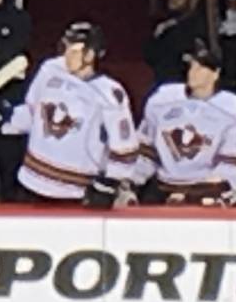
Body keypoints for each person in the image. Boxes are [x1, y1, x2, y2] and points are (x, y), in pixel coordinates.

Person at [12, 21, 144, 204]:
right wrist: (4, 114)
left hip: (74, 193)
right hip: (31, 183)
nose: (66, 55)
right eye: (66, 48)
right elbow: (31, 114)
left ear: (90, 55)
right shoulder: (50, 70)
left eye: (73, 51)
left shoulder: (110, 93)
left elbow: (125, 148)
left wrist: (109, 183)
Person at [138, 44, 236, 205]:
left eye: (201, 68)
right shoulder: (162, 101)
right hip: (163, 190)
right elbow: (145, 152)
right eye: (192, 66)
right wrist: (128, 181)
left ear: (216, 73)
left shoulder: (231, 113)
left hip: (206, 194)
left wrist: (208, 194)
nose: (193, 73)